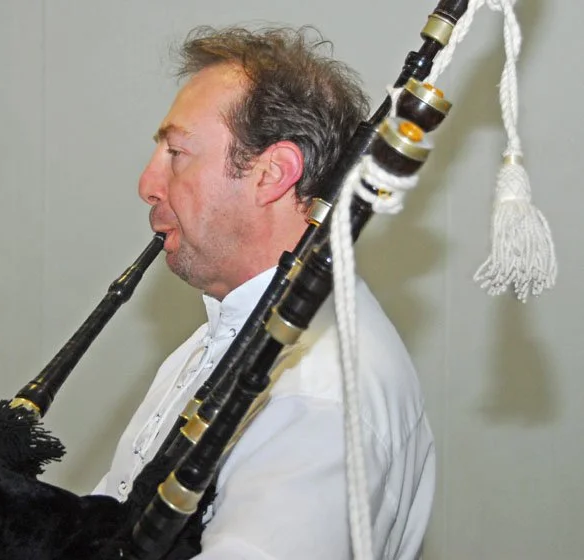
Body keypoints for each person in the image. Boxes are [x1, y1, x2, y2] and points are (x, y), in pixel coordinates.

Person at [92, 26, 435, 559]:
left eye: (177, 151)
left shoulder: (317, 393)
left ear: (273, 173)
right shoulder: (219, 340)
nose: (148, 183)